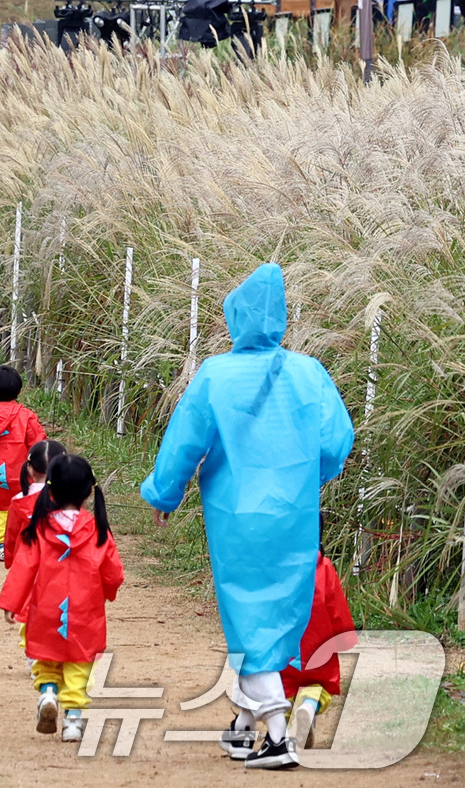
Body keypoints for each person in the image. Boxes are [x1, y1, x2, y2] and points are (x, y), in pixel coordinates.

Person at [140, 263, 354, 770]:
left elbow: (184, 443)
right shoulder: (309, 371)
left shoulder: (215, 373)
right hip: (294, 514)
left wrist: (164, 494)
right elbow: (335, 441)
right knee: (277, 616)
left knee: (247, 618)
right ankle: (241, 726)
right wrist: (309, 476)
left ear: (235, 318)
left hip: (236, 516)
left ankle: (278, 736)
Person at [0, 454, 124, 744]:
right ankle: (73, 722)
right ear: (90, 491)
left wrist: (12, 602)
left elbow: (24, 566)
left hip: (45, 607)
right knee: (79, 665)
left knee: (46, 657)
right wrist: (108, 591)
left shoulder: (40, 527)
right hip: (85, 610)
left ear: (50, 490)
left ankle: (48, 693)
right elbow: (113, 571)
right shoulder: (97, 529)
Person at [280, 537, 355, 752]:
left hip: (283, 643)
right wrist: (343, 636)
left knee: (281, 688)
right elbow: (336, 604)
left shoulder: (277, 567)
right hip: (318, 642)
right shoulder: (324, 567)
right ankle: (308, 707)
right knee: (318, 685)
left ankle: (283, 734)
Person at [0, 365, 47, 564]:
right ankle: (23, 543)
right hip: (24, 474)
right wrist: (44, 470)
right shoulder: (27, 417)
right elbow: (39, 445)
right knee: (24, 506)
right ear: (19, 391)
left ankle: (2, 545)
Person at [3, 440, 67, 569]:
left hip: (27, 566)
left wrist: (10, 561)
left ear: (29, 468)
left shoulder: (19, 500)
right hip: (62, 567)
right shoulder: (71, 499)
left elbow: (11, 536)